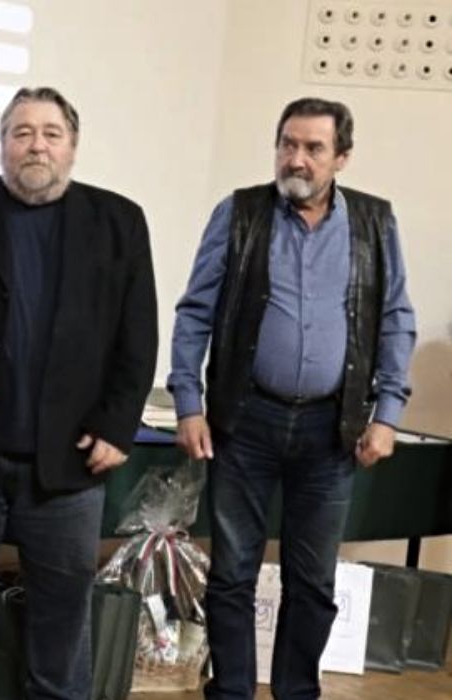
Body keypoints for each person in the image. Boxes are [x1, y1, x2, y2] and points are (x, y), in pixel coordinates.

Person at [0, 86, 158, 699]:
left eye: (51, 133)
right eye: (21, 132)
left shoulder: (118, 221)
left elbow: (138, 336)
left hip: (68, 463)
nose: (36, 145)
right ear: (1, 144)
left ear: (73, 146)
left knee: (62, 624)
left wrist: (117, 426)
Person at [168, 97, 416, 699]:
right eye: (287, 144)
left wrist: (387, 414)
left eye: (313, 148)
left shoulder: (374, 224)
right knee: (232, 574)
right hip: (245, 421)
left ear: (342, 158)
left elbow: (395, 320)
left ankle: (297, 693)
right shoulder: (239, 214)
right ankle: (230, 691)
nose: (296, 159)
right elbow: (195, 312)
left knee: (313, 582)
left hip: (332, 431)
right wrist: (189, 402)